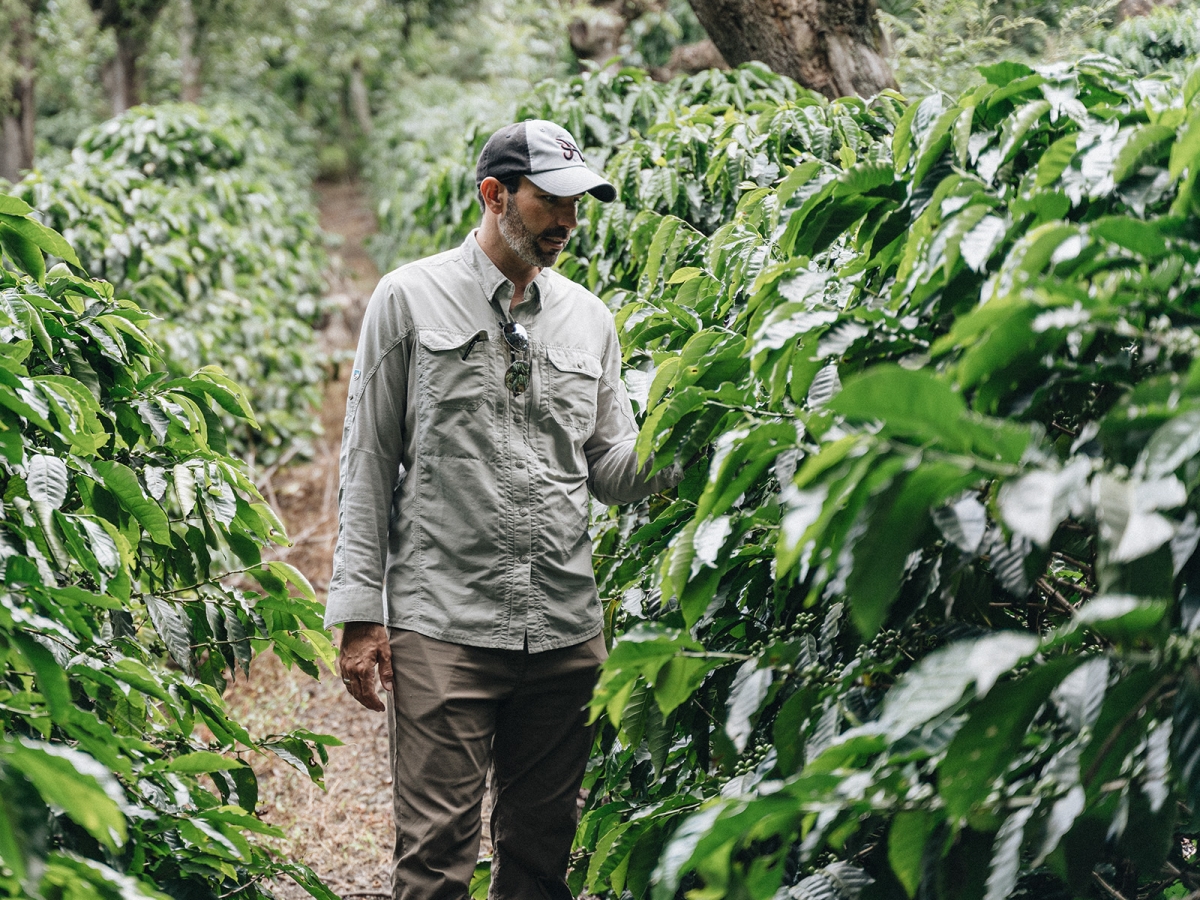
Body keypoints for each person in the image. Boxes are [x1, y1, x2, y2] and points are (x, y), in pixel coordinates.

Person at [325, 119, 680, 900]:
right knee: (435, 858)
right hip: (445, 623)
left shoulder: (590, 318)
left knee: (541, 852)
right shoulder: (408, 298)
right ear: (495, 194)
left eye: (577, 207)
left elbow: (610, 469)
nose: (568, 224)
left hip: (563, 627)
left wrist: (688, 438)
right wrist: (359, 614)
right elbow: (368, 460)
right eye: (551, 203)